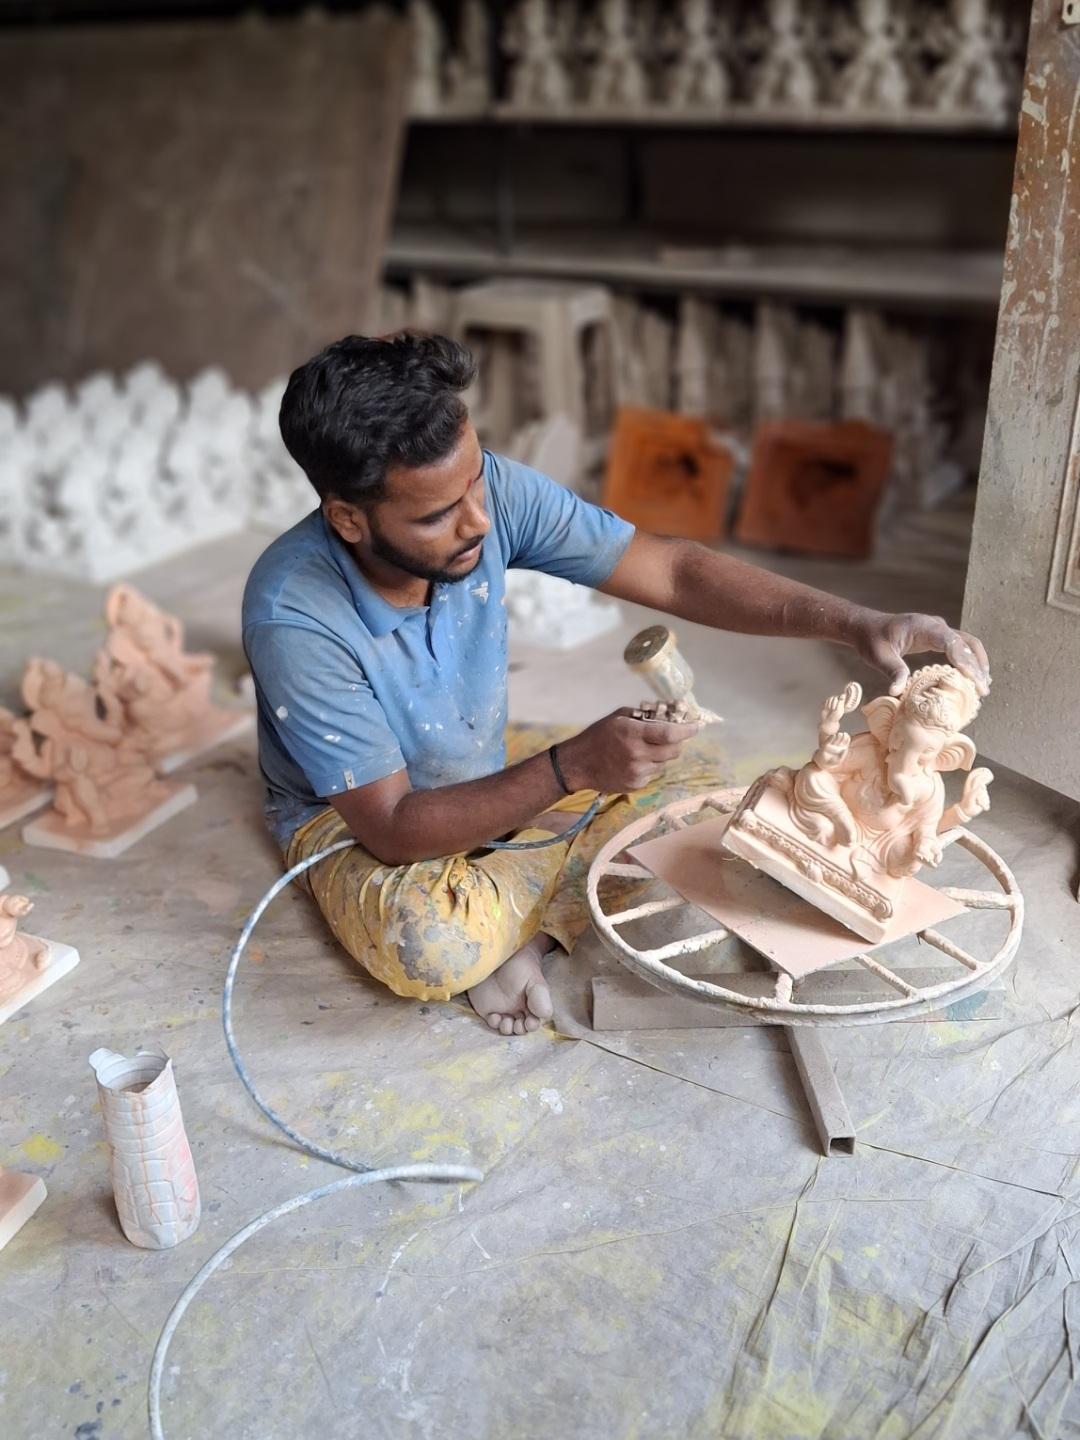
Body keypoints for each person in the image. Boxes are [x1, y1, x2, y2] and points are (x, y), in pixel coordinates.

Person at [241, 334, 990, 1037]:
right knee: (430, 943)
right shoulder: (294, 615)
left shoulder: (484, 495)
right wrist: (571, 770)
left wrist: (855, 622)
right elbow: (394, 827)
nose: (478, 520)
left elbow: (671, 569)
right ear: (346, 518)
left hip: (479, 769)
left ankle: (520, 926)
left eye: (475, 484)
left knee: (703, 779)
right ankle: (527, 917)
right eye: (439, 515)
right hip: (360, 821)